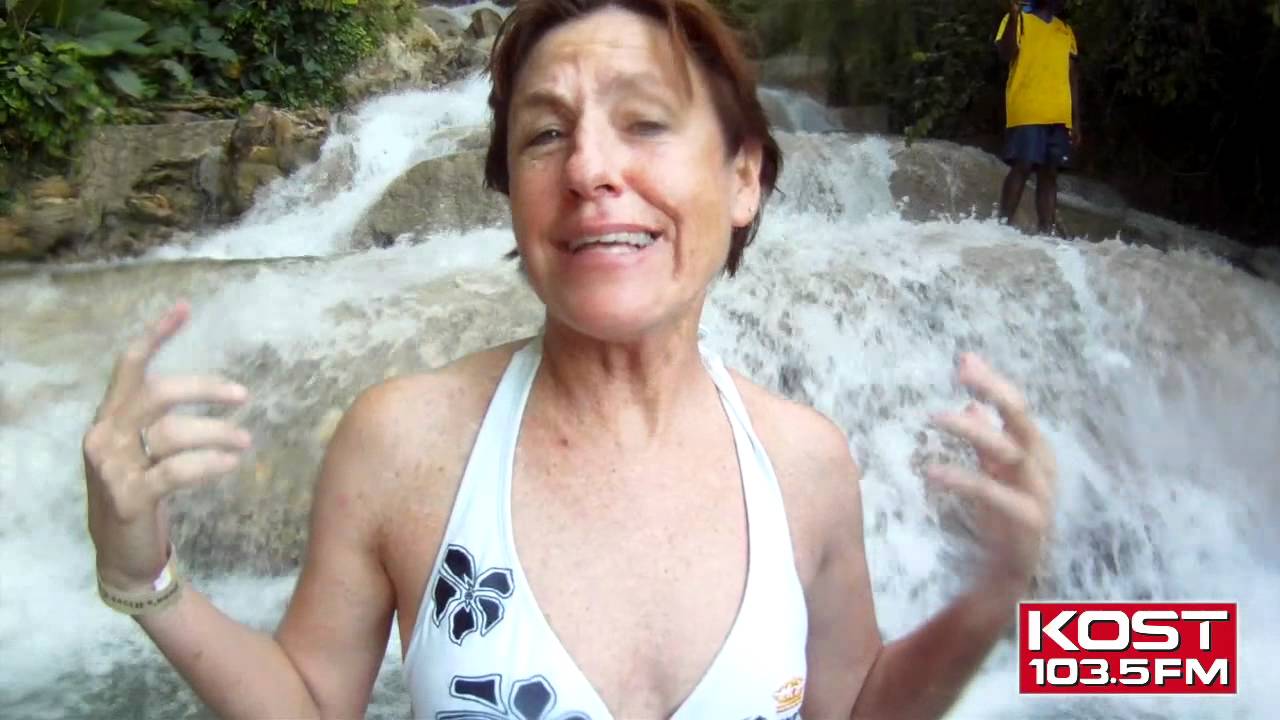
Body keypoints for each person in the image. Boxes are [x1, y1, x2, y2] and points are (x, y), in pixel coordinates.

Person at [81, 1, 1058, 718]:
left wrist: (991, 594)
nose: (590, 168)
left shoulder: (804, 464)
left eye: (642, 121)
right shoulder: (403, 444)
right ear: (511, 192)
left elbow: (854, 710)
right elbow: (307, 705)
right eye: (545, 134)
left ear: (744, 176)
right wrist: (144, 578)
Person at [996, 0, 1081, 235]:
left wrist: (1076, 122)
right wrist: (1013, 17)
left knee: (1050, 172)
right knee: (1023, 165)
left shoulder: (1065, 30)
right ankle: (1002, 226)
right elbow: (1006, 53)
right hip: (1027, 107)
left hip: (1059, 112)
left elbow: (1072, 77)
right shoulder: (1019, 19)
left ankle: (1047, 232)